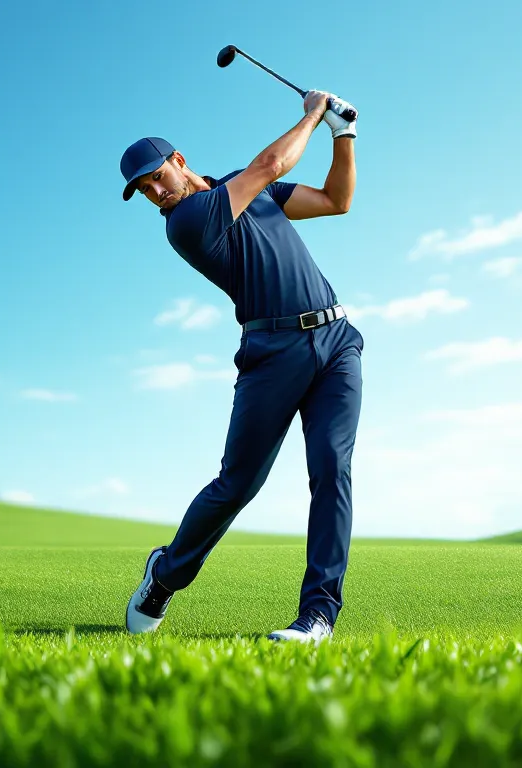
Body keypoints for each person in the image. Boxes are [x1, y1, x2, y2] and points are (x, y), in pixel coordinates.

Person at [119, 90, 363, 644]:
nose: (155, 193)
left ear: (178, 161)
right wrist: (314, 115)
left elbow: (335, 200)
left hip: (336, 342)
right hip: (271, 356)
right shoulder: (186, 221)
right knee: (237, 485)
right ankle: (165, 573)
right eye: (144, 190)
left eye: (156, 177)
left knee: (332, 470)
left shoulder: (245, 187)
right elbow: (271, 163)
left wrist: (343, 136)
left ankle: (318, 616)